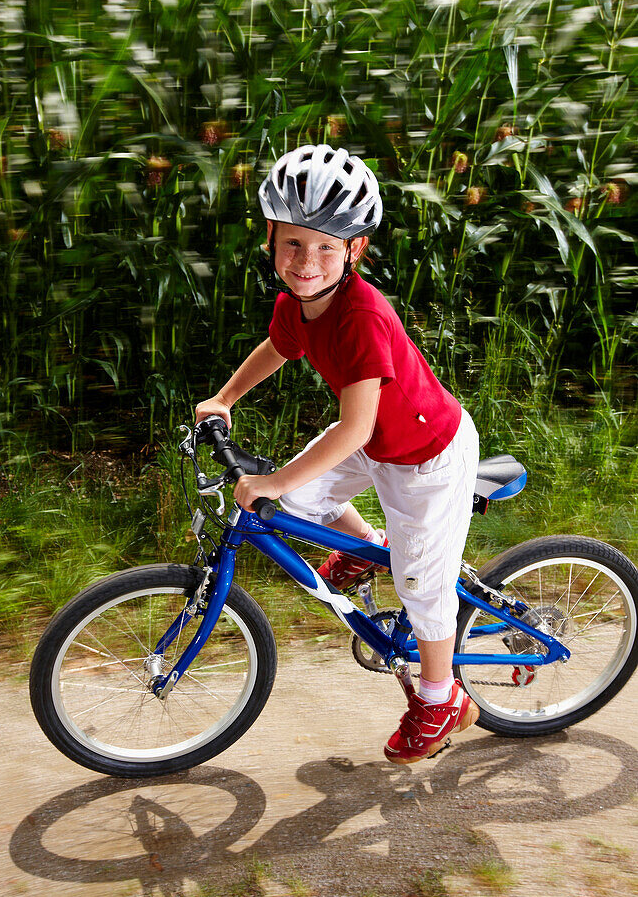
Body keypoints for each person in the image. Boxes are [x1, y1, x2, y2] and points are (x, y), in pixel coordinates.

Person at [194, 144, 480, 763]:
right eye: (293, 243)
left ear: (355, 250)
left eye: (326, 246)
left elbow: (352, 431)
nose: (306, 261)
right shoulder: (298, 302)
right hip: (377, 440)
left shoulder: (359, 317)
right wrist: (225, 397)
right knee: (298, 500)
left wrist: (269, 477)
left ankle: (441, 699)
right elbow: (278, 346)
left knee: (422, 587)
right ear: (271, 240)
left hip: (426, 454)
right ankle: (367, 550)